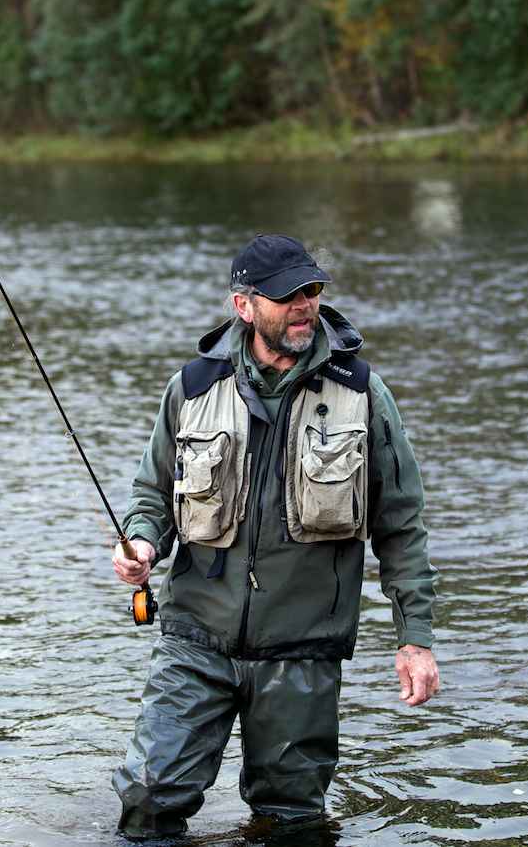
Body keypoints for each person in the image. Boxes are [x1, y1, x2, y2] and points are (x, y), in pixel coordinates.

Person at [112, 234, 440, 840]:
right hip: (196, 635)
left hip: (304, 645)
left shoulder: (361, 393)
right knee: (149, 799)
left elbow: (400, 523)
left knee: (291, 823)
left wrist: (414, 638)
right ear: (244, 305)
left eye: (311, 290)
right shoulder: (191, 387)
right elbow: (153, 491)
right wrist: (142, 543)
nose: (304, 304)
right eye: (287, 295)